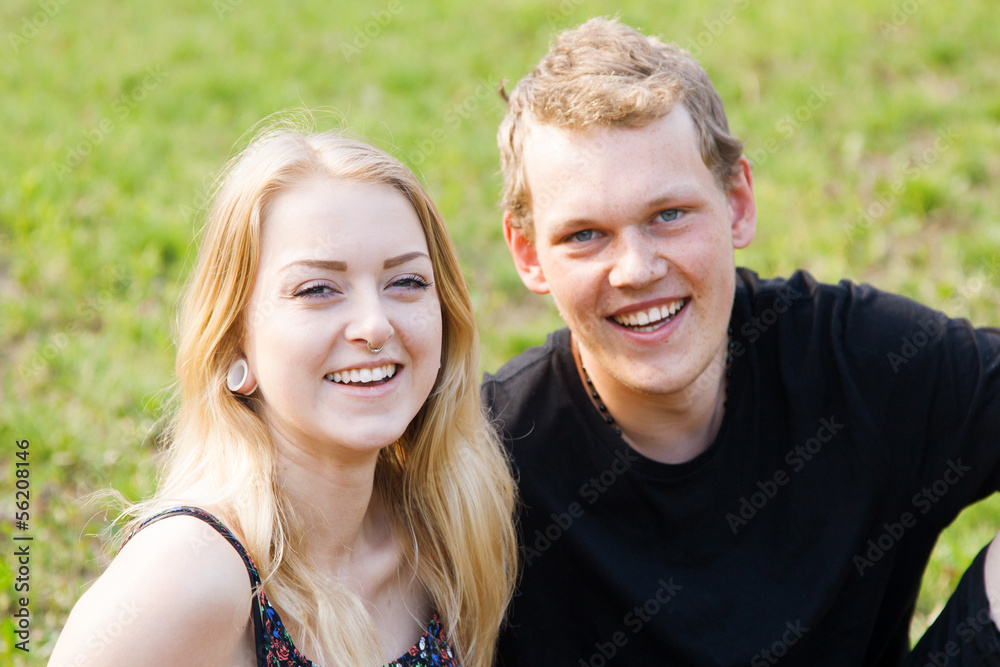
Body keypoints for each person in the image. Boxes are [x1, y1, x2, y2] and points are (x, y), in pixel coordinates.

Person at [484, 17, 1000, 665]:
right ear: (528, 253)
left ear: (737, 203)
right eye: (585, 234)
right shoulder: (486, 462)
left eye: (668, 215)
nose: (636, 269)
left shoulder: (858, 360)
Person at [49, 120, 517, 667]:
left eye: (406, 282)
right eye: (318, 289)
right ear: (232, 347)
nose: (375, 324)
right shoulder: (187, 577)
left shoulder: (444, 531)